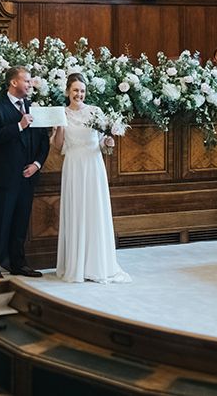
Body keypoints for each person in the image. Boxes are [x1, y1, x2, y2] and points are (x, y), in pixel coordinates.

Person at [51, 73, 130, 284]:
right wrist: (59, 126)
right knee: (76, 211)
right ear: (68, 91)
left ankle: (97, 265)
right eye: (75, 90)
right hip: (74, 165)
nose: (79, 94)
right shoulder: (62, 113)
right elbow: (58, 146)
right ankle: (76, 265)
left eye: (82, 91)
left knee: (94, 211)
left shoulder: (96, 112)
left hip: (93, 165)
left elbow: (103, 143)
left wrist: (109, 143)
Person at [0, 66, 50, 280]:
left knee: (21, 222)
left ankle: (18, 263)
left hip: (28, 176)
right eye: (27, 81)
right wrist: (19, 126)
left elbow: (43, 142)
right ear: (14, 83)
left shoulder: (34, 108)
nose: (30, 85)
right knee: (1, 223)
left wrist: (37, 164)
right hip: (4, 176)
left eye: (30, 82)